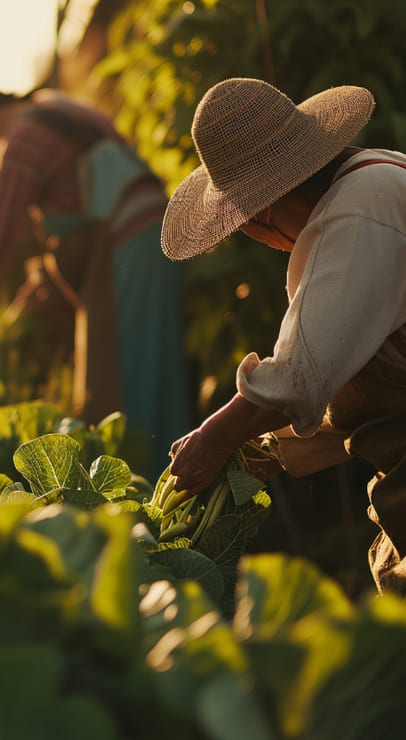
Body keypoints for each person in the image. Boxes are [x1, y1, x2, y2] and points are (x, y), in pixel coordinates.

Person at [162, 77, 406, 595]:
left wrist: (218, 435)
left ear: (269, 208)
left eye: (249, 224)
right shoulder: (374, 183)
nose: (267, 241)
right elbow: (355, 385)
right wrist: (265, 448)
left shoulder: (360, 209)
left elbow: (300, 377)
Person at [0, 87, 190, 467]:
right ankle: (179, 475)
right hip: (157, 228)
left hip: (124, 240)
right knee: (158, 363)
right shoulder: (61, 106)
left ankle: (142, 485)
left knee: (123, 374)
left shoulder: (20, 138)